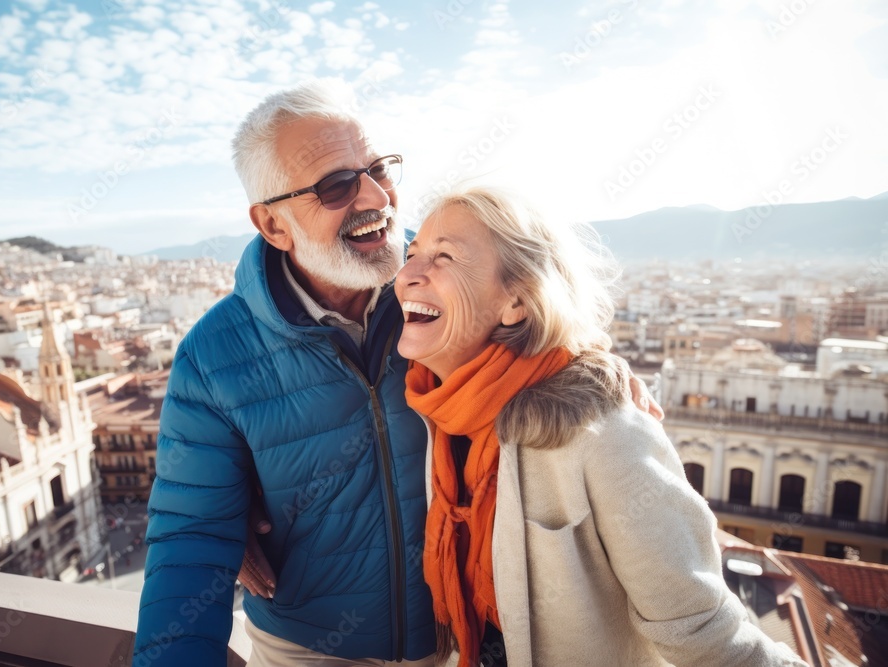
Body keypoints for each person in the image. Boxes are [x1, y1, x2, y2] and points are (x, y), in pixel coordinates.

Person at [133, 80, 660, 666]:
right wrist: (229, 521)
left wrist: (593, 368)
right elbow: (189, 539)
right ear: (273, 226)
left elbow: (533, 317)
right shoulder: (213, 357)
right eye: (335, 185)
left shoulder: (444, 285)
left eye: (378, 169)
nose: (374, 197)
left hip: (451, 638)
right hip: (307, 649)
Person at [396, 186, 808, 667]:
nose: (406, 276)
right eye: (411, 254)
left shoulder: (603, 432)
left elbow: (704, 633)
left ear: (516, 302)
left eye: (444, 256)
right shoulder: (434, 406)